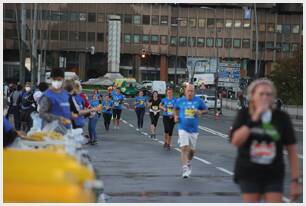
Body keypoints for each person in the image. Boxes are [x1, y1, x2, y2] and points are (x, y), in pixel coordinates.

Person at [229, 78, 301, 203]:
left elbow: (292, 151)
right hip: (248, 171)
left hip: (273, 172)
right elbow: (236, 141)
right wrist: (254, 118)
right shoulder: (244, 115)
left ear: (273, 98)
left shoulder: (281, 118)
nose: (265, 97)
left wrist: (295, 181)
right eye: (261, 94)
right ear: (253, 96)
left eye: (269, 94)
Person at [174, 84, 208, 178]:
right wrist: (176, 116)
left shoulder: (198, 101)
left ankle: (188, 162)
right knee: (184, 148)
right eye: (188, 91)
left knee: (192, 151)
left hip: (193, 130)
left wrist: (200, 112)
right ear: (185, 91)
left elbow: (206, 110)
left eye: (191, 91)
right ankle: (185, 169)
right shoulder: (180, 101)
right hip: (182, 128)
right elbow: (175, 109)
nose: (190, 93)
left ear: (194, 92)